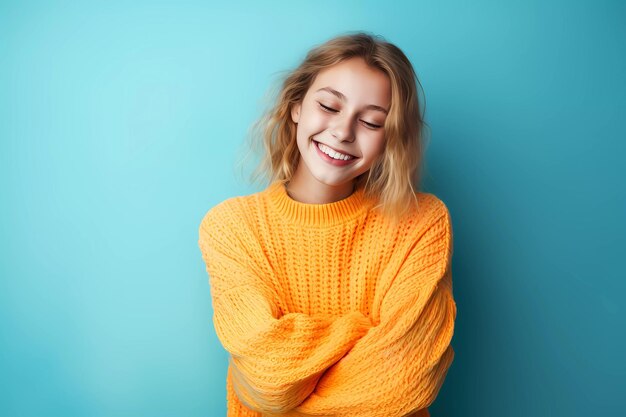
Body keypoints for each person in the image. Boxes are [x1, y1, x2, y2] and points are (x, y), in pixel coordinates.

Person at [198, 31, 457, 417]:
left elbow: (402, 381)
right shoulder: (232, 227)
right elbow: (269, 380)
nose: (343, 131)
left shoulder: (421, 223)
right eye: (329, 106)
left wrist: (303, 376)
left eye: (371, 122)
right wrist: (358, 333)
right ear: (296, 105)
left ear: (390, 140)